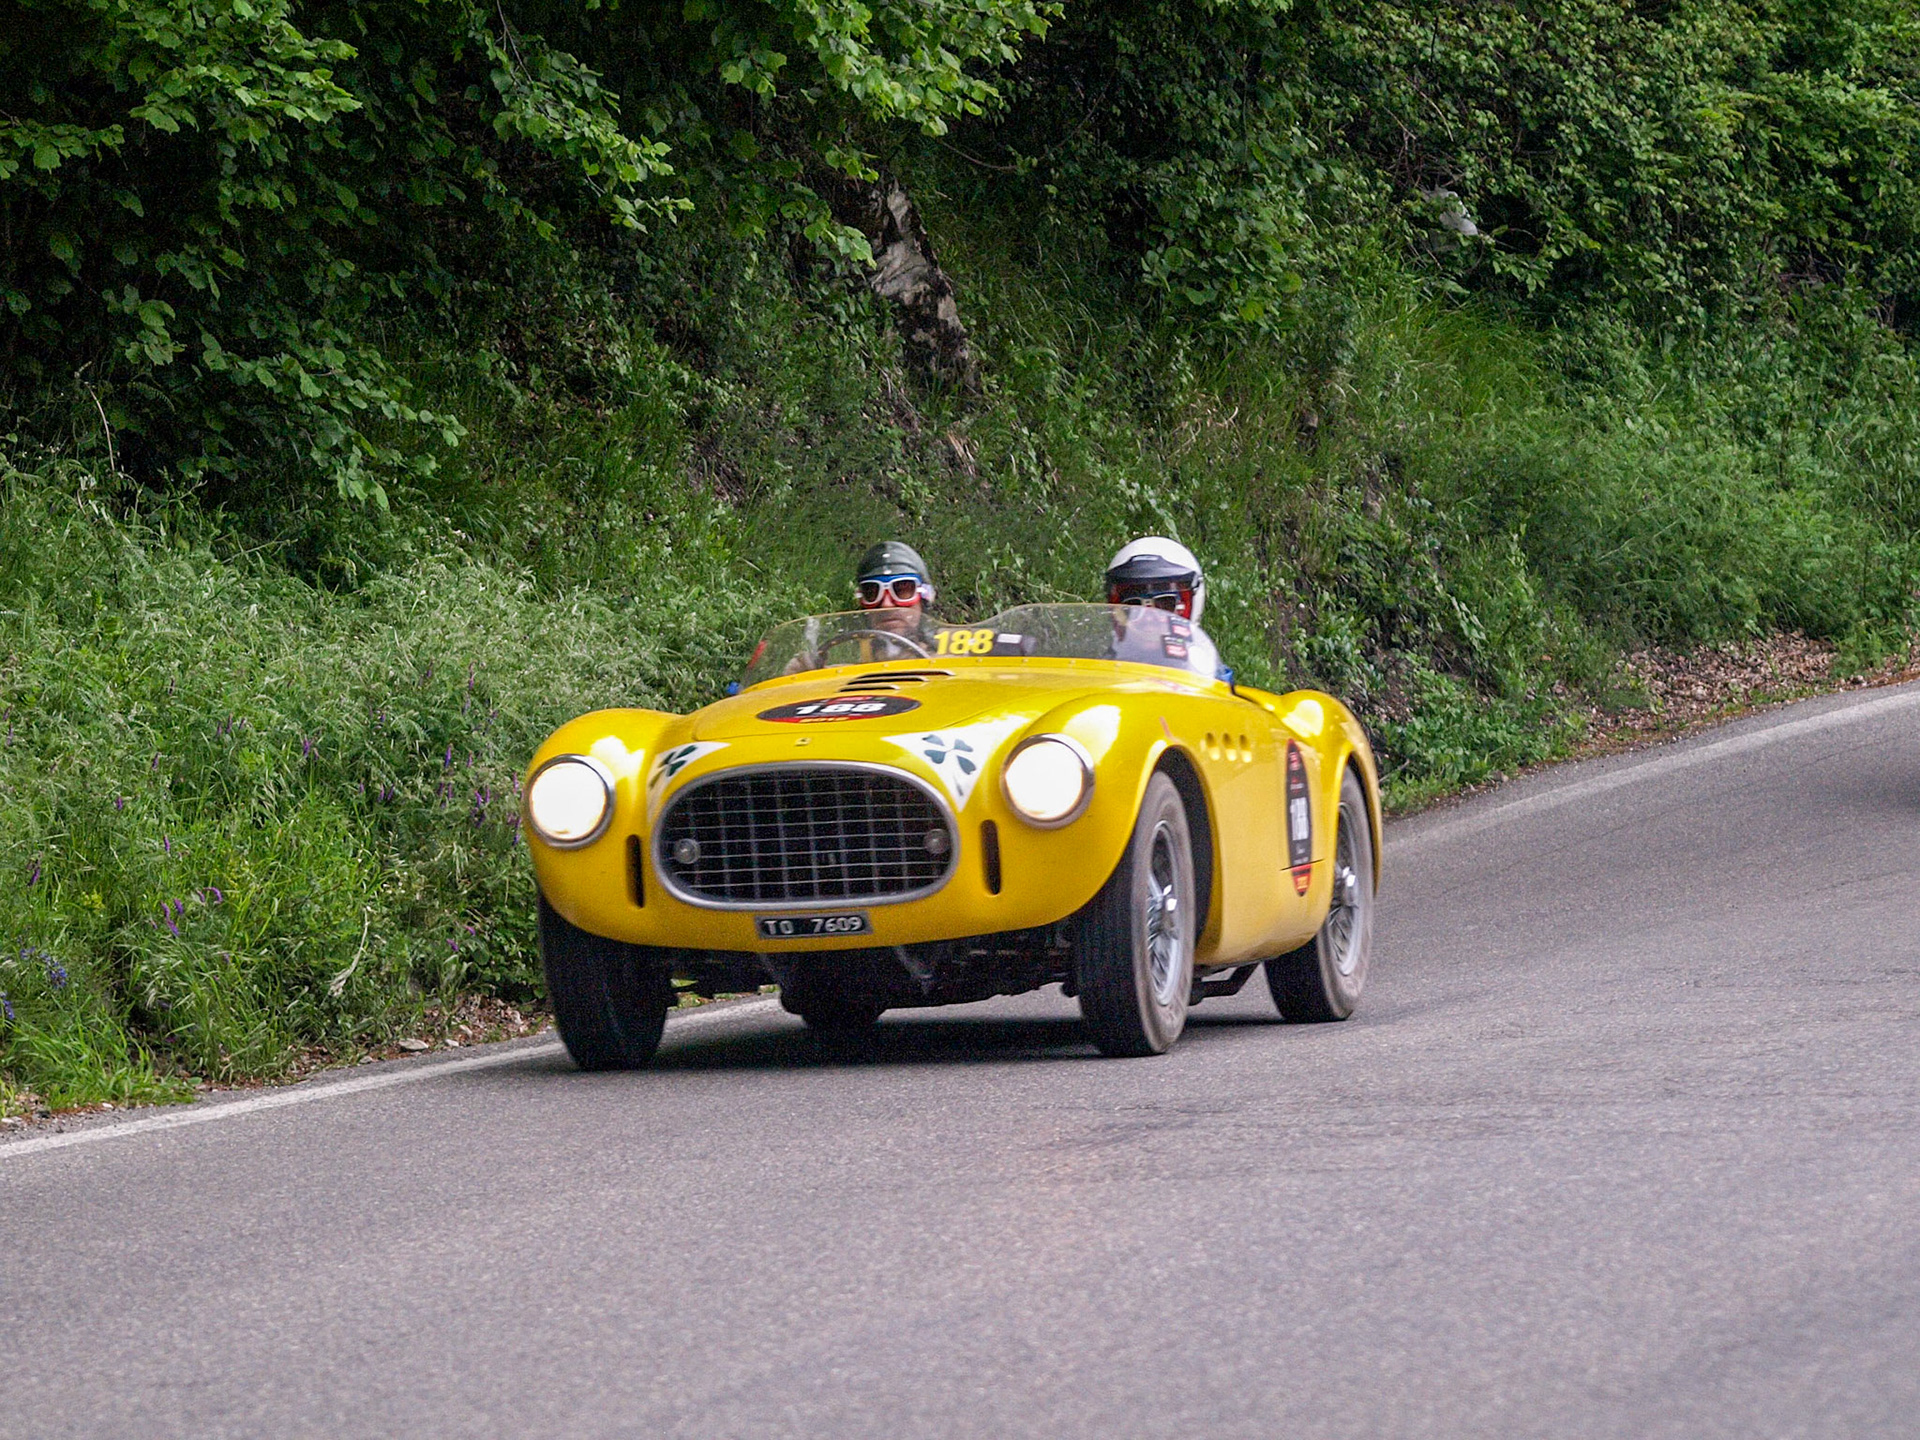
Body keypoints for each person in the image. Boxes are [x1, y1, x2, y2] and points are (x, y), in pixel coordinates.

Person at [1102, 536, 1225, 681]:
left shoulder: (1206, 672)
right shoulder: (1100, 669)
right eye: (1133, 606)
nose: (1148, 617)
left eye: (1165, 604)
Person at [853, 540, 937, 645]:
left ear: (925, 598)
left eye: (902, 590)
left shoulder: (951, 659)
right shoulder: (845, 659)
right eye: (872, 593)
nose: (886, 605)